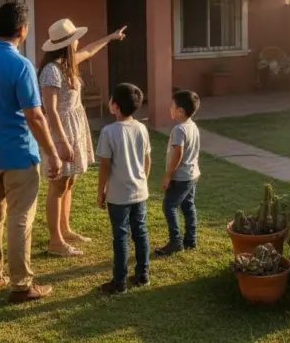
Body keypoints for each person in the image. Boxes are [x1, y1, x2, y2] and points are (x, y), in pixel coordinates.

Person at [0, 2, 59, 303]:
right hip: (18, 156)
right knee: (20, 220)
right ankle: (21, 285)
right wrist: (53, 154)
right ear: (23, 30)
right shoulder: (21, 66)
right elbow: (35, 116)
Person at [38, 18, 127, 257]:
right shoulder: (51, 72)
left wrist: (111, 37)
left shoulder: (67, 64)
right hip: (61, 133)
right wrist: (63, 142)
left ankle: (64, 229)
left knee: (69, 181)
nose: (79, 43)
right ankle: (55, 241)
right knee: (57, 185)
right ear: (67, 44)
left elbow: (89, 50)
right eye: (75, 39)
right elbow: (51, 110)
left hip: (74, 128)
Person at [96, 83, 151, 295]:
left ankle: (119, 282)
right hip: (140, 192)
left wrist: (101, 191)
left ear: (115, 106)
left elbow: (104, 166)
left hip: (118, 195)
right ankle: (142, 274)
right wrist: (142, 180)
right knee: (141, 232)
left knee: (120, 236)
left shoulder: (109, 132)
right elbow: (147, 160)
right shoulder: (142, 128)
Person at [154, 89, 201, 257]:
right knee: (188, 206)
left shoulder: (179, 130)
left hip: (181, 177)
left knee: (169, 206)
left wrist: (168, 174)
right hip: (192, 174)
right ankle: (191, 239)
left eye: (172, 106)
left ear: (180, 111)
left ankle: (176, 242)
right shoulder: (192, 126)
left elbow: (178, 152)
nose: (170, 109)